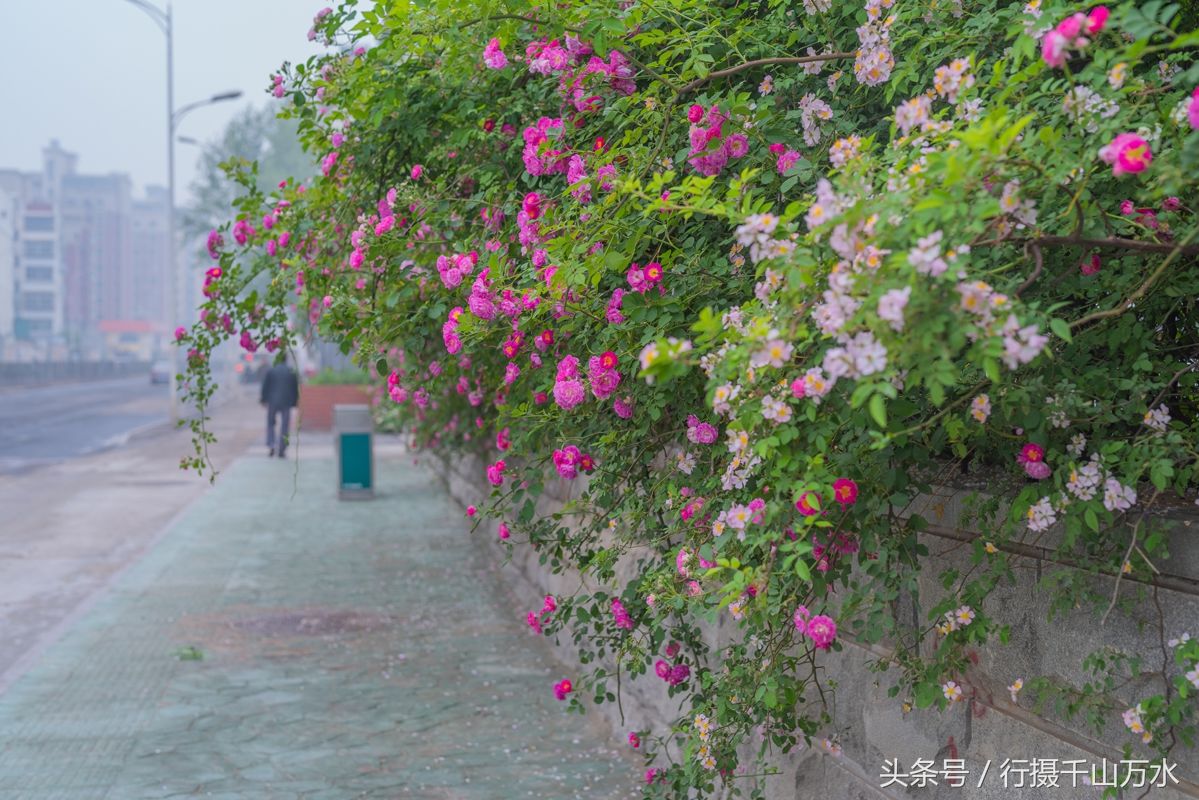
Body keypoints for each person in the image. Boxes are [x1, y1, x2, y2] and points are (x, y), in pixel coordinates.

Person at [260, 354, 299, 458]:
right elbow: (295, 388)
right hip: (287, 402)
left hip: (272, 401)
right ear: (286, 359)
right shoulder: (291, 371)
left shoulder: (271, 371)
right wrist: (295, 402)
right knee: (285, 426)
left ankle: (271, 444)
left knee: (271, 423)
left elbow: (265, 386)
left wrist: (263, 399)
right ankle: (282, 449)